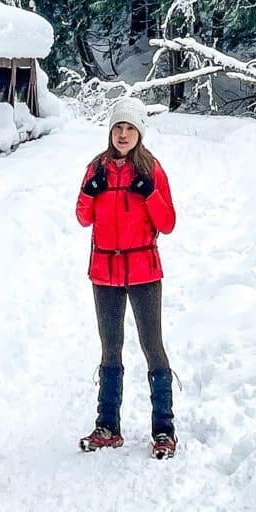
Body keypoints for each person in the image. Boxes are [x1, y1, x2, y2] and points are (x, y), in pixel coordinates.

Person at [75, 92, 177, 456]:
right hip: (105, 273)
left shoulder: (152, 170)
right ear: (110, 131)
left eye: (129, 128)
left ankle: (164, 430)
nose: (122, 134)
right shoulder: (96, 168)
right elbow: (83, 216)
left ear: (139, 133)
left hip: (144, 271)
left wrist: (149, 193)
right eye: (117, 126)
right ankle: (107, 426)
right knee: (110, 349)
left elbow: (167, 223)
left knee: (153, 347)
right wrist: (90, 191)